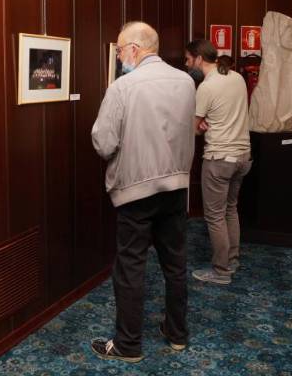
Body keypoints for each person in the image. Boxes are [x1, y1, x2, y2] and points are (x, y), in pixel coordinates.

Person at [90, 21, 196, 363]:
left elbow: (104, 143)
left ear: (134, 49)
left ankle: (128, 345)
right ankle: (177, 334)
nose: (119, 57)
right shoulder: (186, 81)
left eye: (119, 50)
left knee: (131, 268)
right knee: (175, 264)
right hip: (177, 188)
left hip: (136, 191)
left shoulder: (123, 87)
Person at [185, 39, 252, 286]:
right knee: (230, 209)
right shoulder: (236, 77)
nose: (187, 64)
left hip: (219, 160)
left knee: (214, 216)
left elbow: (194, 130)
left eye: (188, 59)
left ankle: (221, 271)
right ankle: (232, 259)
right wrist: (203, 123)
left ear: (199, 59)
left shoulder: (206, 87)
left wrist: (200, 126)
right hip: (243, 157)